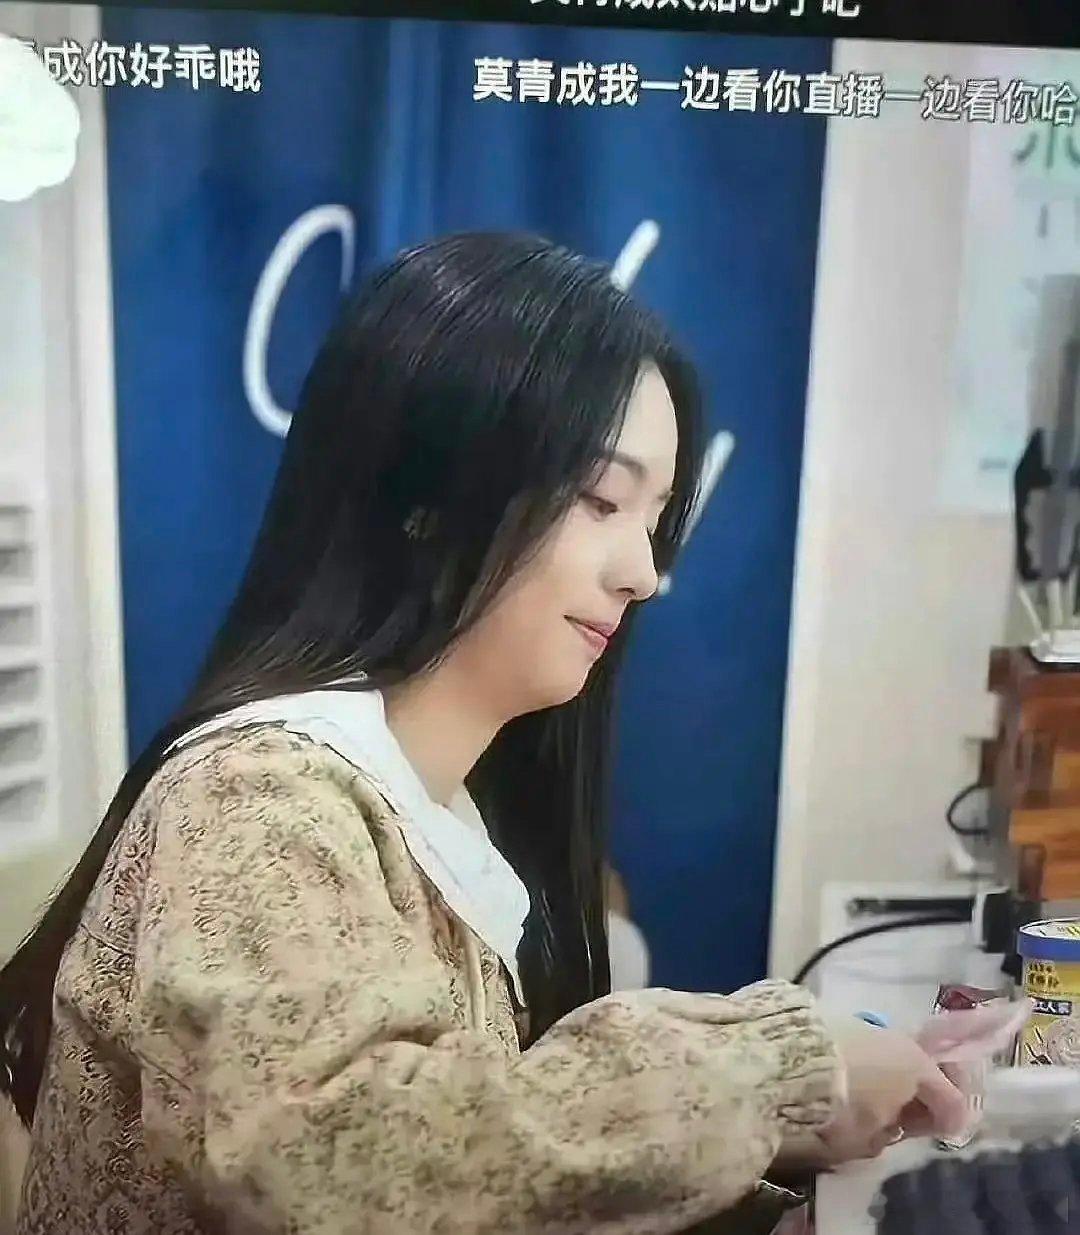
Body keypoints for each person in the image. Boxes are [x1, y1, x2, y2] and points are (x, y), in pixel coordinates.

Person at [0, 233, 965, 1235]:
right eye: (602, 499)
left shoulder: (442, 813)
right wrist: (781, 1062)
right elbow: (347, 1160)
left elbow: (491, 1183)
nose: (643, 571)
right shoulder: (256, 796)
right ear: (429, 496)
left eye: (653, 519)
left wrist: (770, 1187)